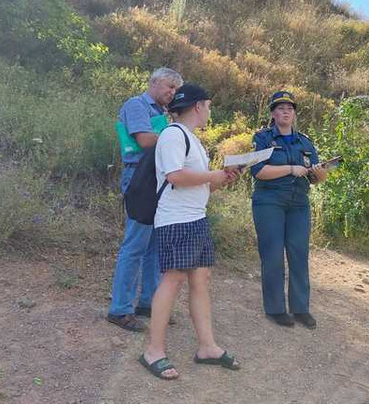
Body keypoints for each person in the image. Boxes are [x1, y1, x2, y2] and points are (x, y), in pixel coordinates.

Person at [139, 83, 241, 380]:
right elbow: (175, 176)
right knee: (173, 279)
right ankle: (153, 351)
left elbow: (201, 183)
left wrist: (223, 178)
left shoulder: (193, 140)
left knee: (200, 278)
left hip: (195, 218)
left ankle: (207, 347)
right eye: (208, 106)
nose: (209, 111)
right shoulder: (173, 135)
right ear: (198, 106)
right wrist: (212, 175)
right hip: (176, 220)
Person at [108, 68, 183, 332]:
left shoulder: (163, 115)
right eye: (169, 85)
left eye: (176, 89)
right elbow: (143, 140)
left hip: (157, 180)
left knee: (153, 245)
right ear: (153, 82)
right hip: (139, 178)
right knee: (136, 244)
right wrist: (177, 135)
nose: (172, 92)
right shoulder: (136, 105)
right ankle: (120, 309)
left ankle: (148, 302)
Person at [250, 91, 328, 328]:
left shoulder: (304, 141)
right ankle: (275, 308)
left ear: (294, 113)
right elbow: (258, 171)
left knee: (298, 253)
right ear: (273, 113)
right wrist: (291, 169)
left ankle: (300, 308)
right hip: (269, 201)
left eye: (290, 108)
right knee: (272, 255)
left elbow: (316, 178)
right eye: (280, 108)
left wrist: (320, 172)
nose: (286, 111)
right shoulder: (262, 138)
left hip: (298, 203)